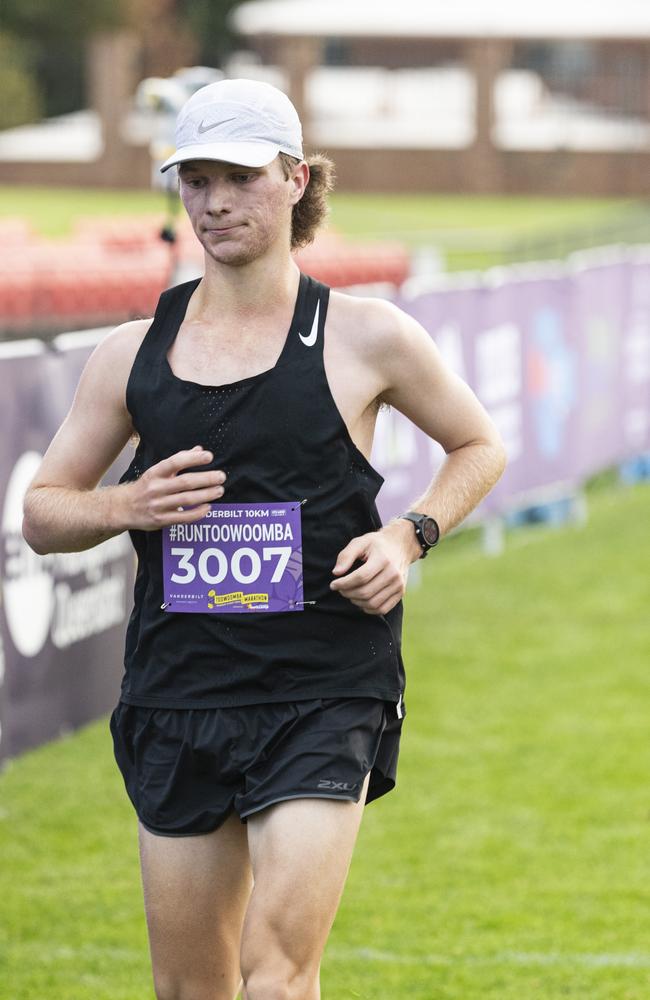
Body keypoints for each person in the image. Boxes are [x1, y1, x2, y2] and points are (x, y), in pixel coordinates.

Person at [22, 79, 506, 1000]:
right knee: (190, 991)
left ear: (294, 178)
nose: (213, 202)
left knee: (278, 979)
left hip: (323, 687)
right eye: (194, 179)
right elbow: (43, 512)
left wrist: (409, 536)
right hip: (179, 689)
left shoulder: (367, 336)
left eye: (237, 178)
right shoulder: (132, 352)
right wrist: (125, 508)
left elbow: (479, 443)